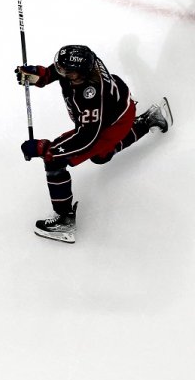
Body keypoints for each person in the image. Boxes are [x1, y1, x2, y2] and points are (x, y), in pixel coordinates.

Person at [15, 45, 171, 243]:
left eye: (66, 71)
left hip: (111, 124)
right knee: (100, 156)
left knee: (55, 160)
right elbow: (60, 69)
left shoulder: (92, 97)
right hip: (118, 109)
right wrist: (42, 75)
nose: (61, 72)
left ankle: (64, 221)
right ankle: (149, 120)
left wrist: (45, 148)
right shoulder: (85, 64)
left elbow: (87, 139)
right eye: (60, 68)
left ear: (80, 74)